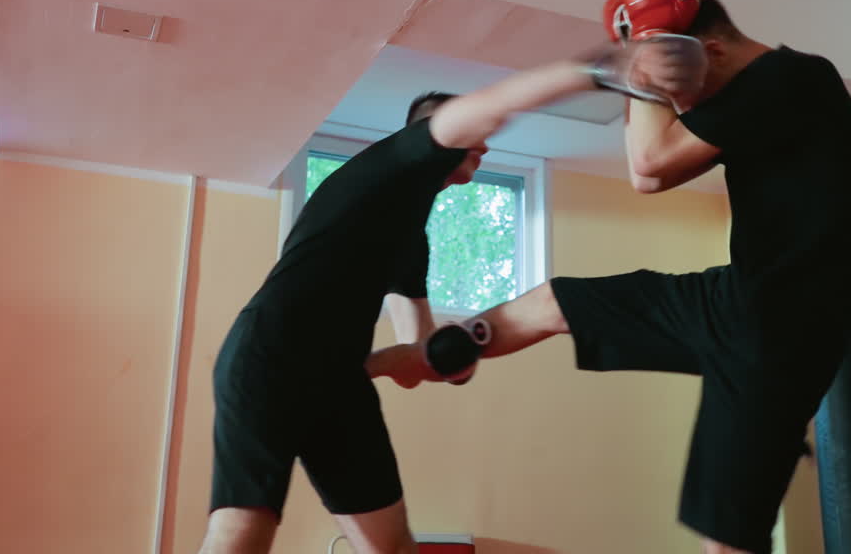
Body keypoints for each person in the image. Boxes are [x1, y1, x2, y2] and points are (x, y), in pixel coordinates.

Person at [368, 0, 851, 554]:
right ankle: (423, 358)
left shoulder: (791, 79)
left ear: (707, 48)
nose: (681, 103)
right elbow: (656, 160)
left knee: (728, 543)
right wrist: (647, 60)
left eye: (681, 85)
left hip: (777, 332)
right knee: (556, 301)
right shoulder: (767, 93)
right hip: (739, 302)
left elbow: (649, 168)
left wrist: (643, 67)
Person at [196, 45, 666, 554]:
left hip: (336, 383)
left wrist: (453, 356)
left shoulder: (410, 235)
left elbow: (414, 352)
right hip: (270, 353)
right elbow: (493, 106)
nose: (482, 145)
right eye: (470, 135)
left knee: (394, 547)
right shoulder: (391, 162)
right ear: (431, 136)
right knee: (241, 537)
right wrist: (597, 72)